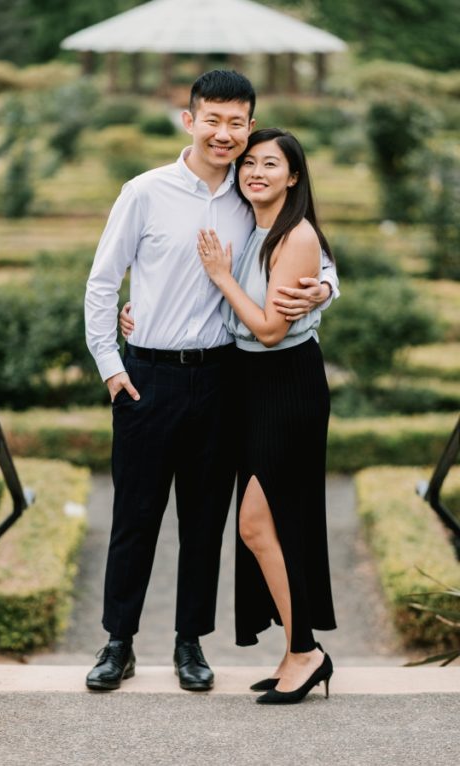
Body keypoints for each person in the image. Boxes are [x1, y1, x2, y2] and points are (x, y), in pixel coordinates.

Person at [83, 70, 338, 693]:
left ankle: (189, 643)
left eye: (237, 122)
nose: (225, 134)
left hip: (226, 380)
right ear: (189, 120)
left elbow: (308, 251)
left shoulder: (249, 196)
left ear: (249, 125)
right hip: (146, 376)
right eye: (213, 120)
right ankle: (118, 641)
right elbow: (101, 281)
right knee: (135, 516)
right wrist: (111, 367)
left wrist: (327, 288)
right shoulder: (144, 192)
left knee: (206, 521)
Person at [197, 128, 336, 703]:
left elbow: (272, 330)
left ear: (294, 176)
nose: (256, 171)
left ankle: (305, 651)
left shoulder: (294, 236)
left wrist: (222, 276)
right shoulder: (253, 227)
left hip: (286, 384)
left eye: (270, 164)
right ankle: (294, 652)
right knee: (274, 524)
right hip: (250, 386)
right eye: (249, 163)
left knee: (258, 522)